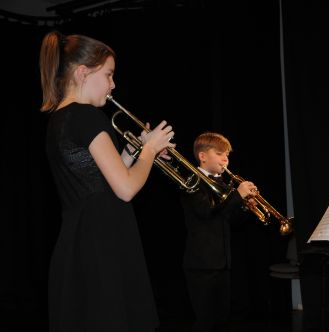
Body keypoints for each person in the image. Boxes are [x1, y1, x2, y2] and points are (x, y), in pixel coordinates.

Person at [40, 31, 175, 332]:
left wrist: (134, 150)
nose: (114, 84)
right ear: (82, 73)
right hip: (103, 245)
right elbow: (125, 189)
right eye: (109, 74)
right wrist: (151, 150)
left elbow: (95, 180)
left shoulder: (59, 119)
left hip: (80, 243)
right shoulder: (88, 116)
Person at [180, 132, 257, 332]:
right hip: (201, 265)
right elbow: (205, 211)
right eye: (220, 153)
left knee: (221, 320)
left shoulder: (223, 184)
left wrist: (246, 206)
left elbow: (228, 219)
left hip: (222, 263)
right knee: (205, 322)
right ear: (203, 156)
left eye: (227, 155)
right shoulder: (192, 180)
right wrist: (237, 196)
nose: (225, 159)